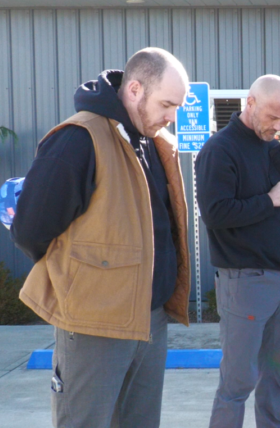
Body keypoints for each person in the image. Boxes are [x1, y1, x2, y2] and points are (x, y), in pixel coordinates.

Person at [13, 47, 192, 428]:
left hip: (150, 321)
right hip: (94, 327)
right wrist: (82, 281)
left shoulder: (152, 141)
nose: (172, 117)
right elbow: (31, 228)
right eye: (166, 104)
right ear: (135, 90)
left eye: (177, 107)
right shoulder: (78, 139)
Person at [196, 74, 280, 428]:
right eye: (272, 117)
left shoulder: (273, 149)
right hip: (246, 282)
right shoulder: (219, 150)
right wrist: (267, 201)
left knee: (278, 376)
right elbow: (215, 214)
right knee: (238, 380)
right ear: (251, 103)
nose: (278, 126)